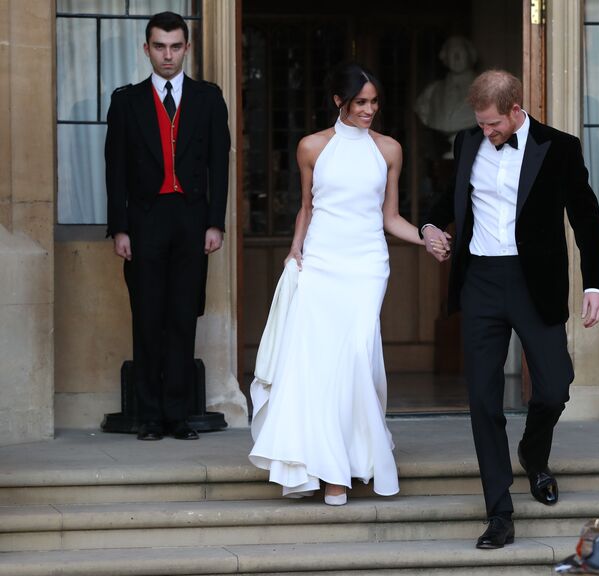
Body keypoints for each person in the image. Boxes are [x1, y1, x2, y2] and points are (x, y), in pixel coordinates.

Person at [421, 70, 599, 549]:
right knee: (483, 401)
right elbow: (442, 201)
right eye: (481, 125)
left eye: (493, 125)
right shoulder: (466, 144)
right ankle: (499, 512)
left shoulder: (558, 147)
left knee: (554, 387)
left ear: (515, 108)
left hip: (534, 284)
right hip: (480, 281)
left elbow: (586, 216)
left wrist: (596, 285)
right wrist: (427, 226)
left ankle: (533, 452)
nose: (486, 133)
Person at [248, 62, 425, 506]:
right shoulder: (311, 146)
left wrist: (426, 237)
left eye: (374, 102)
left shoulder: (389, 150)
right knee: (320, 366)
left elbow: (390, 217)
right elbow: (307, 207)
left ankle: (351, 463)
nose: (369, 110)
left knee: (356, 357)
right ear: (338, 102)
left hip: (367, 267)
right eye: (360, 102)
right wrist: (294, 249)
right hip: (321, 263)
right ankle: (330, 471)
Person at [105, 11, 231, 441]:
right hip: (144, 221)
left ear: (187, 49)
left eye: (176, 46)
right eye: (159, 46)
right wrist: (119, 228)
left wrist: (216, 222)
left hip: (191, 221)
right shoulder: (126, 101)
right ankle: (149, 416)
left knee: (182, 316)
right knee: (147, 316)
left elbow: (220, 164)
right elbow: (114, 170)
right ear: (146, 50)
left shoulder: (209, 99)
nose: (168, 55)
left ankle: (178, 415)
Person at [414, 36, 478, 154]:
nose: (456, 56)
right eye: (451, 52)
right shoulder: (431, 92)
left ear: (470, 55)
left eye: (461, 51)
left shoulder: (486, 90)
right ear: (444, 58)